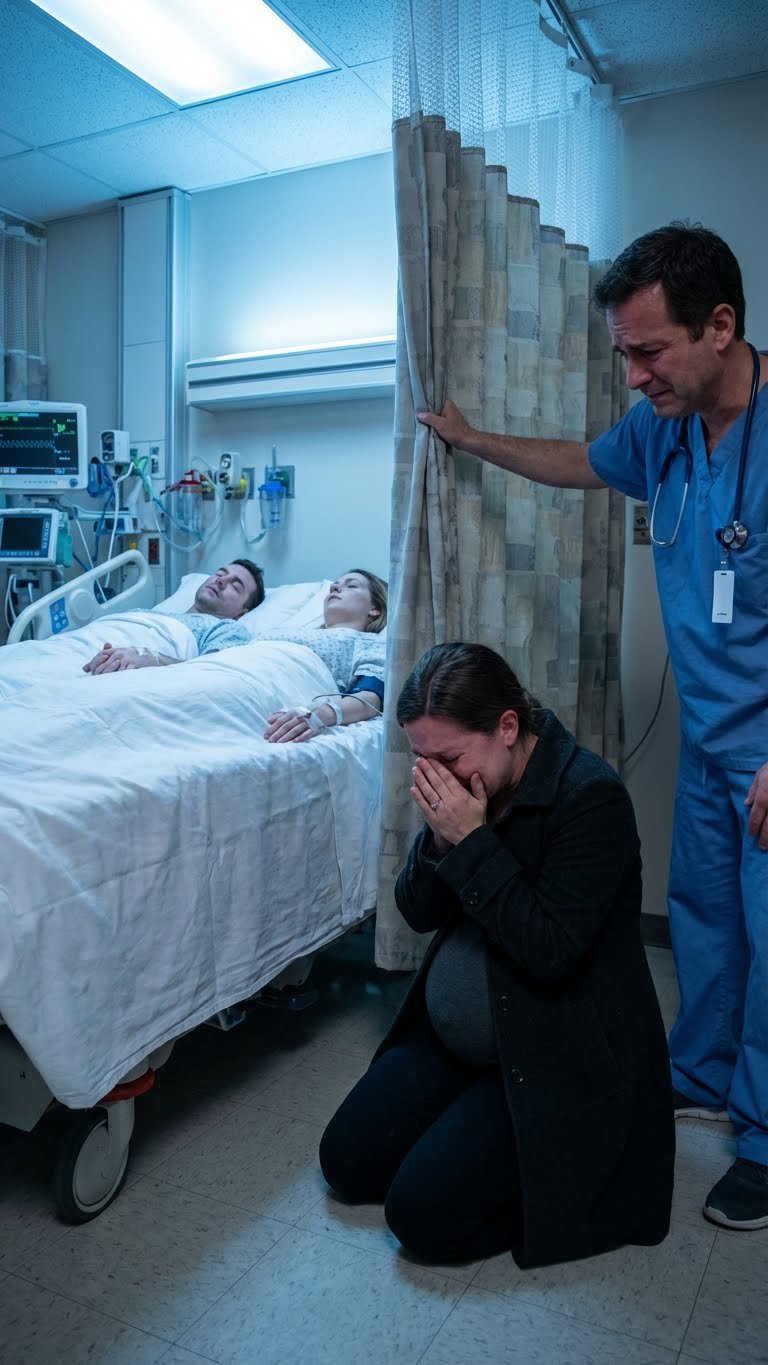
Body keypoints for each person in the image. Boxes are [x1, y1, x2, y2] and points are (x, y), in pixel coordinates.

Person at [416, 222, 768, 1231]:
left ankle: (765, 1137)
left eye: (648, 352)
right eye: (624, 354)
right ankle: (702, 1072)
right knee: (704, 918)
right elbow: (579, 461)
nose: (634, 377)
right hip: (710, 738)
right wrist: (474, 440)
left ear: (720, 326)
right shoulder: (666, 430)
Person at [320, 643, 674, 1268]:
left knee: (420, 1216)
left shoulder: (590, 799)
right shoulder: (464, 785)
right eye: (422, 758)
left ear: (507, 727)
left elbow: (550, 953)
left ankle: (544, 1186)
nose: (436, 776)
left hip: (548, 1051)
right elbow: (418, 912)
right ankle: (467, 1127)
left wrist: (471, 841)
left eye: (449, 758)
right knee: (346, 1163)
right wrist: (440, 841)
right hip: (454, 1045)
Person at [263, 569, 387, 743]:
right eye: (334, 586)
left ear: (375, 609)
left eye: (351, 585)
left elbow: (371, 699)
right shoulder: (289, 632)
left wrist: (326, 713)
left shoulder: (371, 643)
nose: (335, 588)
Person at [83, 559, 264, 673]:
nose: (221, 580)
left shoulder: (226, 628)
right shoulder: (150, 614)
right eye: (220, 573)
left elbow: (210, 672)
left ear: (242, 612)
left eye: (235, 586)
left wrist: (150, 658)